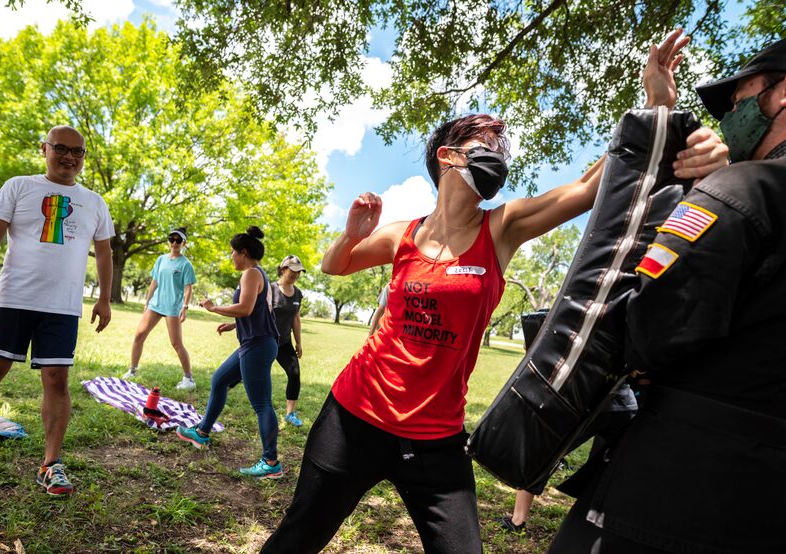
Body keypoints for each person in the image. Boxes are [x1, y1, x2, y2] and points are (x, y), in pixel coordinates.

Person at [260, 44, 727, 552]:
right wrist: (351, 234)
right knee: (298, 537)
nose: (497, 159)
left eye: (501, 152)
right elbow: (334, 265)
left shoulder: (502, 228)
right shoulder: (402, 235)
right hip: (354, 417)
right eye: (485, 146)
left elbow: (591, 186)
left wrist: (657, 105)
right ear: (449, 156)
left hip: (437, 438)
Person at [548, 35, 786, 554]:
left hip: (672, 496)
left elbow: (651, 333)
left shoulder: (743, 192)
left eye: (744, 100)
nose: (732, 118)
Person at [0, 126, 114, 496]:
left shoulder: (95, 202)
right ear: (43, 148)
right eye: (61, 148)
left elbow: (104, 252)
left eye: (78, 151)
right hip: (14, 298)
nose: (69, 157)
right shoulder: (18, 186)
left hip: (62, 306)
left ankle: (50, 464)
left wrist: (104, 298)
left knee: (57, 379)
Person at [175, 226, 283, 479]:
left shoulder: (250, 274)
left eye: (232, 253)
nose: (231, 257)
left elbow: (245, 308)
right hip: (256, 342)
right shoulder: (258, 275)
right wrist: (234, 324)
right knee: (220, 380)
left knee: (262, 404)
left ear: (243, 252)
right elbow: (257, 312)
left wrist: (214, 308)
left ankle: (271, 462)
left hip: (257, 345)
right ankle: (201, 433)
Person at [123, 227, 197, 390]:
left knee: (176, 343)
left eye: (178, 240)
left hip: (172, 307)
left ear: (184, 243)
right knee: (139, 335)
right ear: (168, 241)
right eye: (172, 239)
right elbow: (154, 282)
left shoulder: (185, 264)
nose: (174, 243)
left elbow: (188, 288)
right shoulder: (161, 259)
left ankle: (188, 379)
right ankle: (132, 370)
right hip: (156, 305)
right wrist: (147, 302)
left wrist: (184, 307)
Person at [271, 255, 306, 427]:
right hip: (266, 341)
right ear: (283, 269)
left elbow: (296, 319)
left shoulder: (298, 294)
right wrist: (235, 325)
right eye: (293, 270)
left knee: (294, 374)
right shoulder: (270, 289)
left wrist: (298, 342)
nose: (296, 274)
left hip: (284, 343)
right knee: (246, 372)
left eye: (298, 272)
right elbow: (255, 312)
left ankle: (290, 413)